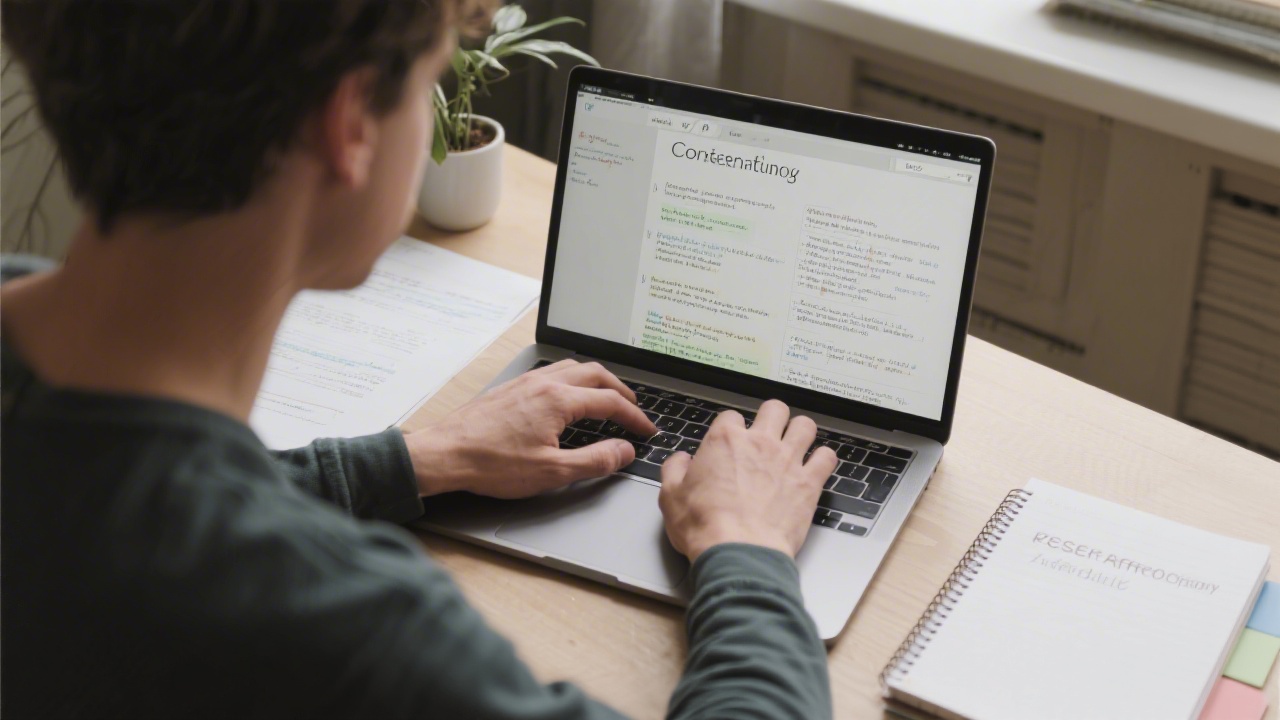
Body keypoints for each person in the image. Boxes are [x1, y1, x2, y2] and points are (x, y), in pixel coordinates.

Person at [0, 1, 840, 717]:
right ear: (351, 124)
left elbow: (120, 492)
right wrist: (746, 547)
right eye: (435, 81)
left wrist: (412, 461)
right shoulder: (344, 630)